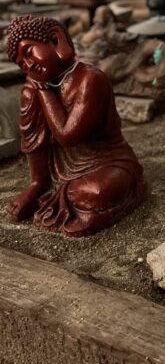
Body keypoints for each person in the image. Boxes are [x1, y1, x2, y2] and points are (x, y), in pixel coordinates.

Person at [5, 14, 145, 236]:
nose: (29, 66)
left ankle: (65, 199)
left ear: (56, 39)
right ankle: (43, 189)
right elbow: (34, 141)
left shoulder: (90, 79)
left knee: (94, 191)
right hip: (59, 171)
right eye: (22, 64)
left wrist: (44, 90)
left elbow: (67, 136)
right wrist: (36, 184)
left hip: (106, 163)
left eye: (29, 53)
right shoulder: (33, 91)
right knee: (28, 94)